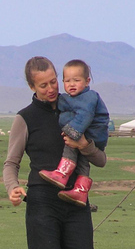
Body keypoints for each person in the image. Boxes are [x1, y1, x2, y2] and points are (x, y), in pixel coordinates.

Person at [3, 56, 107, 249]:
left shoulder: (78, 106)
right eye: (43, 85)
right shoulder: (25, 119)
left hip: (76, 202)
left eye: (54, 82)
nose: (51, 89)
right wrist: (13, 188)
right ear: (31, 86)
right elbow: (11, 163)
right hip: (42, 205)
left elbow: (100, 159)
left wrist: (84, 144)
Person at [39, 59, 110, 206]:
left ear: (87, 81)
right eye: (67, 81)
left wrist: (72, 132)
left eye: (76, 80)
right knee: (83, 159)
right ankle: (80, 191)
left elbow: (85, 115)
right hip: (93, 135)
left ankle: (62, 173)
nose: (71, 84)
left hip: (92, 132)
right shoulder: (75, 98)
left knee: (70, 141)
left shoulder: (88, 97)